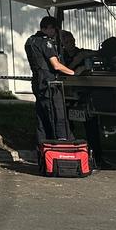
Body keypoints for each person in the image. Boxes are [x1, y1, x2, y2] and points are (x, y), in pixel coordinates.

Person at [25, 16, 76, 148]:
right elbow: (56, 65)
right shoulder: (45, 42)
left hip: (38, 83)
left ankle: (43, 149)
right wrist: (73, 73)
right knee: (58, 116)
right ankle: (62, 147)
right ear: (48, 28)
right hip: (50, 85)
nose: (55, 33)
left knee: (42, 119)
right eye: (54, 30)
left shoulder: (30, 41)